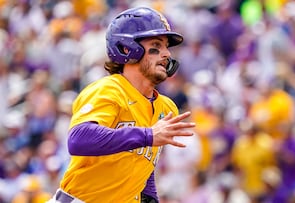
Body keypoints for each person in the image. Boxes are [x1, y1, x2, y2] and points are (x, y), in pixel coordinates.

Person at [47, 7, 195, 203]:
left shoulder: (167, 107)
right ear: (127, 48)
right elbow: (78, 139)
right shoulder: (109, 89)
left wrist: (150, 198)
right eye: (156, 45)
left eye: (167, 46)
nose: (167, 53)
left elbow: (142, 164)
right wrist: (148, 135)